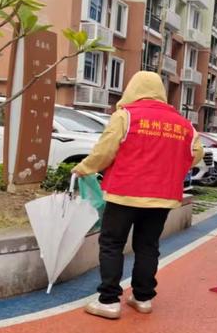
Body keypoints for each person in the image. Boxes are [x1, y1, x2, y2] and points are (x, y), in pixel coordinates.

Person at [72, 71, 204, 319]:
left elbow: (105, 151)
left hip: (125, 193)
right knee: (148, 246)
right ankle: (143, 298)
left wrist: (83, 169)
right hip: (163, 196)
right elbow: (196, 153)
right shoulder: (184, 124)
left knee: (112, 244)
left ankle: (109, 300)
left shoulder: (126, 116)